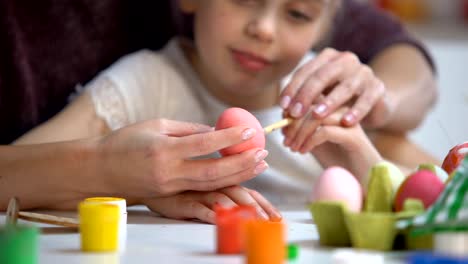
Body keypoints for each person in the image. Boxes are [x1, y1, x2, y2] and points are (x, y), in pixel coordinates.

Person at [4, 0, 429, 224]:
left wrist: (369, 169)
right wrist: (131, 187)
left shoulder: (328, 98)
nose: (263, 28)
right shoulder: (145, 85)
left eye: (298, 13)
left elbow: (445, 202)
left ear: (323, 30)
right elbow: (13, 178)